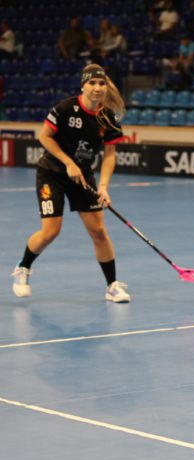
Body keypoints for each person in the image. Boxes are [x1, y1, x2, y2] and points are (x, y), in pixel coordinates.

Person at [11, 64, 130, 303]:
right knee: (50, 232)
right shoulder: (65, 108)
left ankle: (111, 286)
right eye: (92, 83)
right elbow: (44, 136)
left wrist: (103, 187)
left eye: (101, 83)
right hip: (51, 174)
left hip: (82, 177)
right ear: (83, 86)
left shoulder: (108, 118)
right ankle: (23, 267)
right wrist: (68, 162)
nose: (97, 88)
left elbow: (109, 156)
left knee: (99, 232)